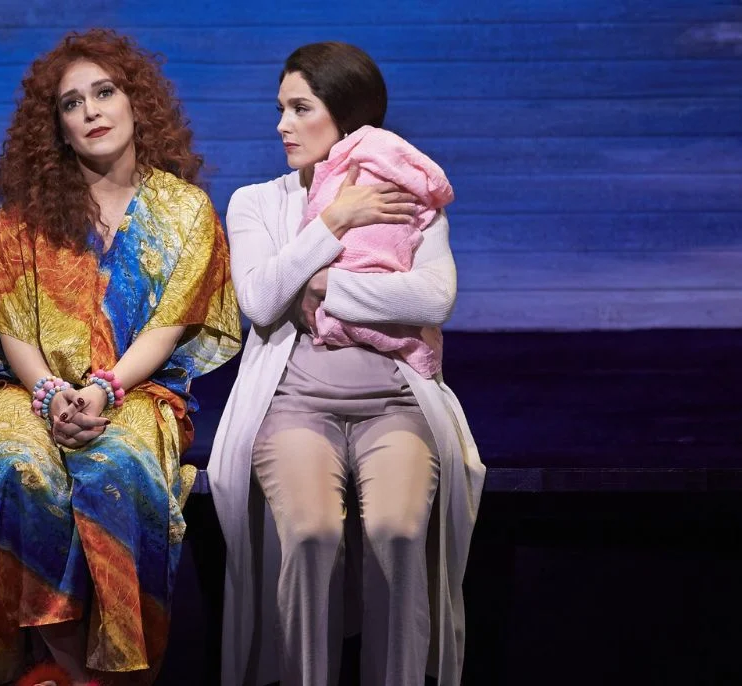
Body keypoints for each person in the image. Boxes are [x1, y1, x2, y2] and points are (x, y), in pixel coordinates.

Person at [0, 29, 241, 686]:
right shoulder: (24, 216)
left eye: (104, 92)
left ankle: (121, 670)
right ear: (55, 126)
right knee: (15, 462)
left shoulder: (184, 210)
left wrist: (105, 390)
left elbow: (167, 328)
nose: (91, 111)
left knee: (119, 465)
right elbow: (11, 326)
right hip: (27, 388)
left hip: (136, 388)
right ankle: (76, 677)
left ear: (135, 102)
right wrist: (52, 394)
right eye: (72, 103)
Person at [208, 41, 485, 686]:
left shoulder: (407, 196)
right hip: (297, 402)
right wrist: (334, 220)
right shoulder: (257, 202)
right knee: (310, 534)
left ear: (347, 115)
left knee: (397, 531)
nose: (282, 124)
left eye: (300, 108)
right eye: (280, 108)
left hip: (395, 400)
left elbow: (434, 298)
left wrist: (327, 285)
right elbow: (259, 299)